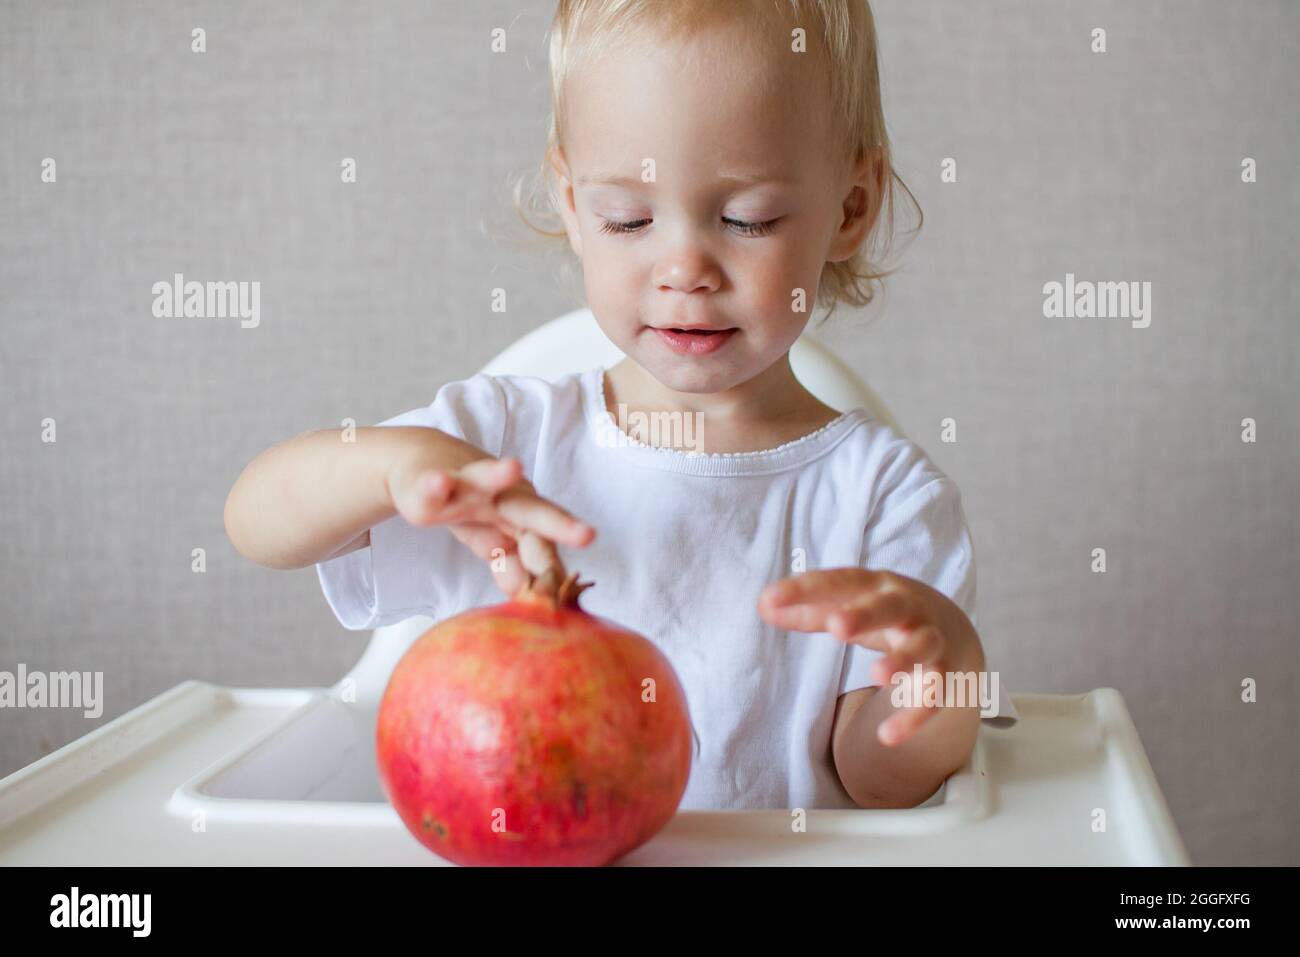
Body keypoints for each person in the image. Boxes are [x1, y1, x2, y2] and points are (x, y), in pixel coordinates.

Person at [224, 0, 1017, 812]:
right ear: (572, 204)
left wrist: (943, 673)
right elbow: (256, 521)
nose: (684, 268)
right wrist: (395, 467)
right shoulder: (496, 449)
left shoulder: (882, 498)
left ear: (850, 207)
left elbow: (880, 783)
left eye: (747, 219)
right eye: (628, 218)